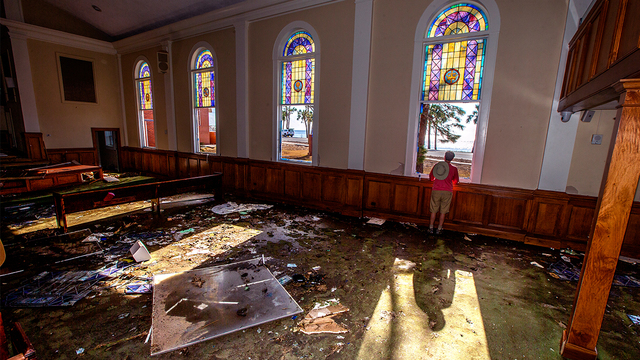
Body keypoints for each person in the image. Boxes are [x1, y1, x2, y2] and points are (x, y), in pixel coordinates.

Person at [428, 151, 459, 234]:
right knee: (443, 211)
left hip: (436, 190)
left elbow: (431, 178)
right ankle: (439, 229)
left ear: (444, 157)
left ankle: (431, 227)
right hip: (447, 191)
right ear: (452, 158)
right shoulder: (454, 169)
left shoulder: (437, 166)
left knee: (433, 210)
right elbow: (456, 181)